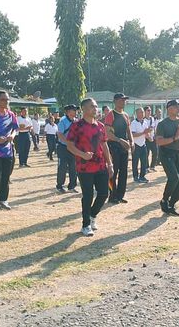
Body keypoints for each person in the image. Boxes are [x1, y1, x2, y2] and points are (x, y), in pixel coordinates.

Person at [66, 98, 114, 236]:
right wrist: (82, 154)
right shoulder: (77, 126)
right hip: (84, 167)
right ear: (84, 109)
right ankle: (86, 225)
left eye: (96, 106)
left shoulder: (100, 126)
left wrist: (109, 163)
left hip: (100, 166)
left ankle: (92, 215)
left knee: (104, 193)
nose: (96, 109)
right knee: (87, 196)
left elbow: (104, 145)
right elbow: (69, 145)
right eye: (92, 106)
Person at [156, 99, 179, 216]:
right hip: (166, 152)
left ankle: (171, 204)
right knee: (174, 177)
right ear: (169, 109)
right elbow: (159, 141)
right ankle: (164, 200)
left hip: (177, 152)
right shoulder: (162, 124)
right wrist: (175, 137)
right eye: (176, 107)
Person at [104, 93, 134, 204]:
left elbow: (128, 130)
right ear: (116, 101)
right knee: (113, 172)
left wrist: (132, 141)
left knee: (124, 172)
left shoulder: (125, 115)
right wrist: (119, 140)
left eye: (125, 100)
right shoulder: (111, 115)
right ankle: (112, 196)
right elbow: (107, 133)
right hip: (114, 146)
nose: (124, 102)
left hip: (124, 147)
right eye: (122, 100)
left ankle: (120, 195)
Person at [56, 105, 79, 193]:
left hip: (73, 148)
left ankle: (72, 186)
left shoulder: (76, 121)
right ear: (68, 112)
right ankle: (60, 186)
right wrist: (68, 143)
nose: (76, 112)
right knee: (62, 167)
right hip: (63, 147)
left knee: (73, 167)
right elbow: (60, 134)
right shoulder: (63, 121)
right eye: (74, 110)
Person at [130, 107, 150, 183]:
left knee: (144, 161)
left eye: (142, 112)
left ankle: (142, 176)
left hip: (143, 144)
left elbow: (146, 133)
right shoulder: (134, 123)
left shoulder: (145, 122)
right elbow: (133, 134)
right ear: (136, 114)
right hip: (136, 145)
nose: (142, 114)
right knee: (135, 162)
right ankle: (135, 177)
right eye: (140, 112)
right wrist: (143, 133)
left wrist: (149, 137)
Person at [144, 106, 159, 172]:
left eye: (150, 110)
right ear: (145, 111)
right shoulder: (143, 120)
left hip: (153, 138)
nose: (149, 112)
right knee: (146, 154)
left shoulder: (153, 119)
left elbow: (154, 128)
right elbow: (144, 130)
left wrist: (155, 136)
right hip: (146, 139)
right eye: (148, 110)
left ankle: (152, 166)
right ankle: (146, 167)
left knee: (155, 152)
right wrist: (148, 137)